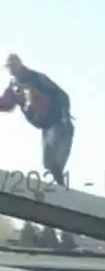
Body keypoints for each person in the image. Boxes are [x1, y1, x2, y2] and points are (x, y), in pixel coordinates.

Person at [0, 55, 74, 186]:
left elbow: (62, 95)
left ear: (19, 65)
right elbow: (6, 103)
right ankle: (60, 186)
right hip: (46, 125)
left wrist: (63, 114)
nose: (12, 71)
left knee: (54, 162)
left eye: (14, 67)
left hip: (59, 123)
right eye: (10, 68)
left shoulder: (37, 78)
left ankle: (62, 189)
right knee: (48, 163)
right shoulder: (14, 87)